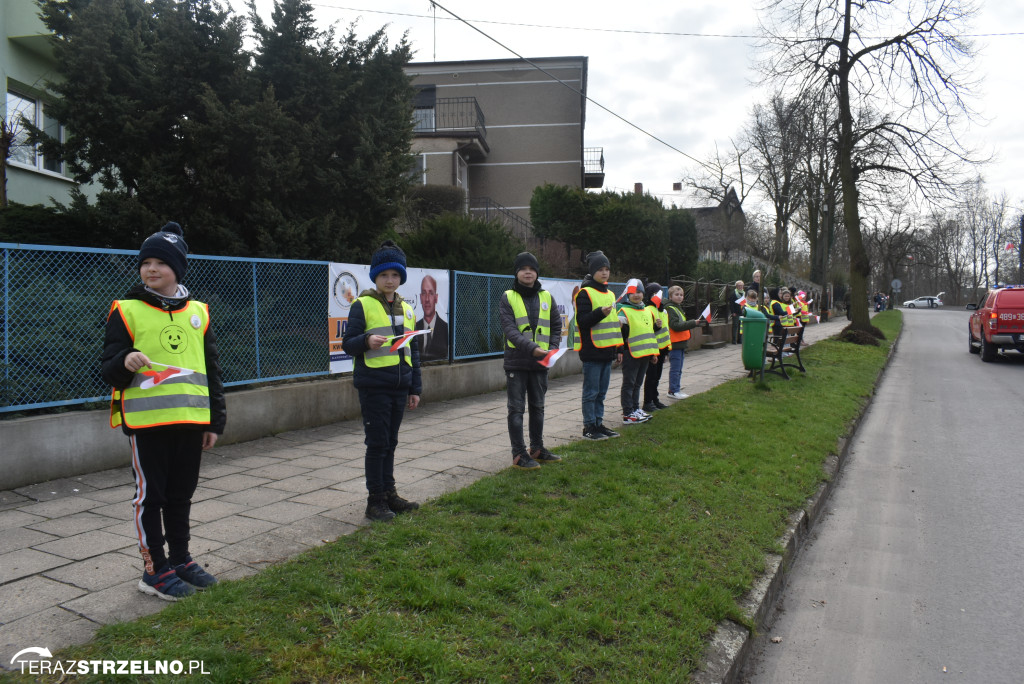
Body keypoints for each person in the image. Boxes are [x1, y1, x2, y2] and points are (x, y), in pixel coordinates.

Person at [101, 221, 225, 601]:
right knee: (149, 498)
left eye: (161, 262)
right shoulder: (126, 310)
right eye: (146, 262)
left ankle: (181, 560)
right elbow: (107, 367)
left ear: (178, 269)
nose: (151, 269)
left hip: (190, 423)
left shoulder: (199, 314)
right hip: (147, 424)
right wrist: (126, 360)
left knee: (180, 496)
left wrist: (214, 421)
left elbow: (211, 372)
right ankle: (154, 570)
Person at [342, 240, 422, 522]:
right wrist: (366, 341)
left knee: (391, 442)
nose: (390, 280)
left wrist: (415, 388)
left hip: (400, 386)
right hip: (374, 386)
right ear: (375, 277)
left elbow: (412, 351)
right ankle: (374, 501)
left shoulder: (408, 309)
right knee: (377, 444)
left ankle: (389, 494)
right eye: (385, 275)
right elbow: (348, 344)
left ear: (401, 278)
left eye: (396, 275)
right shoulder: (361, 305)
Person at [499, 252, 562, 470]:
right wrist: (532, 348)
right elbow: (510, 330)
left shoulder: (546, 297)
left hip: (540, 363)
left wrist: (552, 349)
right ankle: (518, 454)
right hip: (517, 362)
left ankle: (537, 449)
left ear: (537, 273)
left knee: (538, 407)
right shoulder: (508, 296)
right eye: (523, 268)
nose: (528, 272)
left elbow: (556, 326)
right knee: (516, 409)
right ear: (516, 273)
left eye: (532, 269)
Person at [573, 251, 621, 441]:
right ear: (592, 271)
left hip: (607, 351)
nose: (604, 273)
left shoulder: (610, 293)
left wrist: (618, 349)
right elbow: (583, 321)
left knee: (601, 392)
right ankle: (589, 427)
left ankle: (599, 424)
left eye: (607, 269)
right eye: (600, 269)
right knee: (591, 392)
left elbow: (614, 326)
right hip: (592, 352)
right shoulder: (584, 293)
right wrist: (600, 312)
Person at [617, 279, 658, 424]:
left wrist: (653, 353)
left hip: (645, 354)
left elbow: (649, 333)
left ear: (643, 294)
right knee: (629, 384)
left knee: (638, 383)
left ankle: (635, 408)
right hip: (631, 353)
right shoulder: (623, 311)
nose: (636, 295)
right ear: (628, 294)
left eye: (639, 292)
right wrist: (620, 351)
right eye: (633, 292)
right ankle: (628, 413)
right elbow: (620, 334)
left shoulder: (646, 310)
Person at [665, 285, 703, 400]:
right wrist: (693, 323)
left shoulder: (677, 307)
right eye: (676, 295)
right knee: (675, 369)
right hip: (675, 343)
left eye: (681, 295)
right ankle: (673, 390)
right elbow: (675, 326)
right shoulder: (671, 309)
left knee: (679, 368)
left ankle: (676, 389)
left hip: (680, 343)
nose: (679, 297)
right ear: (670, 296)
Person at [642, 283, 671, 413]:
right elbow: (647, 330)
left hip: (662, 348)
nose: (658, 296)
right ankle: (647, 402)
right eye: (655, 293)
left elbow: (666, 330)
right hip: (653, 349)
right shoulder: (648, 309)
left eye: (659, 292)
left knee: (657, 376)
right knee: (651, 376)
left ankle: (655, 399)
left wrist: (667, 350)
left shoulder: (663, 310)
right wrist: (655, 326)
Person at [415, 274, 449, 362]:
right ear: (420, 297)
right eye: (424, 293)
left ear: (436, 298)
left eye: (431, 293)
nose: (427, 299)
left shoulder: (446, 329)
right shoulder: (414, 329)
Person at [730, 279, 745, 344]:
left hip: (742, 312)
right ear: (736, 286)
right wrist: (733, 312)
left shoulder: (744, 293)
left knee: (741, 326)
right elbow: (731, 304)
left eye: (741, 285)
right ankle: (734, 340)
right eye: (739, 285)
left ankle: (740, 340)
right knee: (735, 326)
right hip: (736, 312)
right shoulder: (734, 293)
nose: (740, 287)